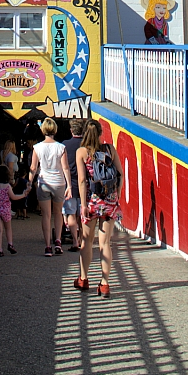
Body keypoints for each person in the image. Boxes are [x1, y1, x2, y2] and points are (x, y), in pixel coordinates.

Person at [75, 120, 124, 298]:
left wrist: (82, 204)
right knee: (105, 243)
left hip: (91, 202)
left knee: (86, 241)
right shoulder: (110, 149)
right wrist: (116, 196)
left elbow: (82, 180)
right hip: (109, 202)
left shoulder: (82, 152)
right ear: (100, 132)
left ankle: (83, 278)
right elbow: (120, 174)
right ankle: (104, 283)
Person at [28, 118, 72, 257]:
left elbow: (33, 167)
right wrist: (69, 185)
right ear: (55, 130)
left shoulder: (37, 148)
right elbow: (65, 168)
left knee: (46, 215)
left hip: (44, 182)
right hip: (59, 182)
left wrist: (29, 183)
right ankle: (58, 241)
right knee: (58, 213)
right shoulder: (61, 147)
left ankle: (48, 246)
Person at [0, 165, 30, 257]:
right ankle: (10, 244)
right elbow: (13, 197)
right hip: (5, 210)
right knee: (8, 228)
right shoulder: (8, 186)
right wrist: (23, 195)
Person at [62, 119, 83, 251]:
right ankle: (82, 238)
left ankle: (74, 241)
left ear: (71, 131)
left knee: (71, 214)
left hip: (69, 183)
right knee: (82, 214)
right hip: (84, 183)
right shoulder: (86, 145)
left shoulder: (65, 145)